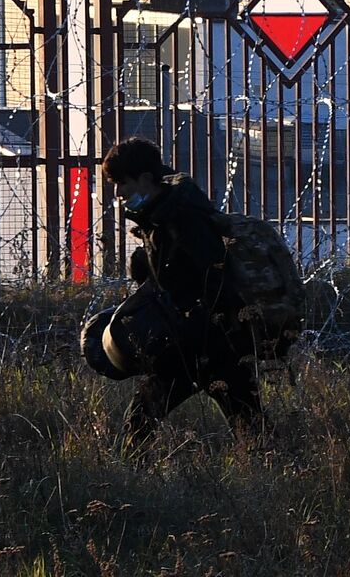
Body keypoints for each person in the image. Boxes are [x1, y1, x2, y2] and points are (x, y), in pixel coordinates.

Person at [100, 138, 264, 449]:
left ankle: (275, 476)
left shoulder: (183, 217)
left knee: (246, 420)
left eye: (122, 182)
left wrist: (198, 324)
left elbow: (213, 274)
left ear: (146, 179)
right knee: (146, 414)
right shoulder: (161, 215)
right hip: (193, 337)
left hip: (210, 338)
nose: (118, 192)